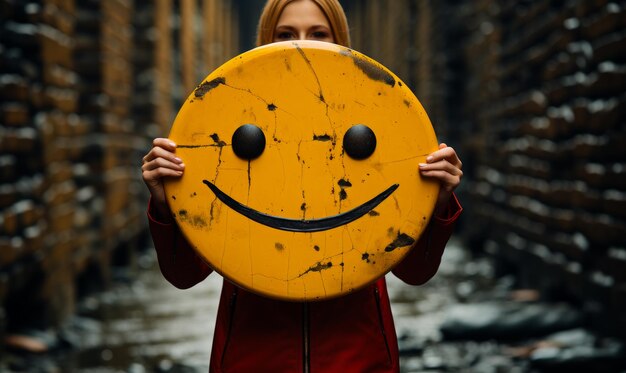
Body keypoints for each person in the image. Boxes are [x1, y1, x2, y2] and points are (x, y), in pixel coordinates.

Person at [141, 0, 463, 372]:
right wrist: (168, 205)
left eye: (318, 34)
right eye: (286, 34)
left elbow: (415, 273)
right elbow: (184, 276)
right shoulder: (226, 130)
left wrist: (436, 203)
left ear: (340, 41)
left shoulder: (383, 128)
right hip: (252, 358)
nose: (301, 44)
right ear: (265, 42)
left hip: (359, 358)